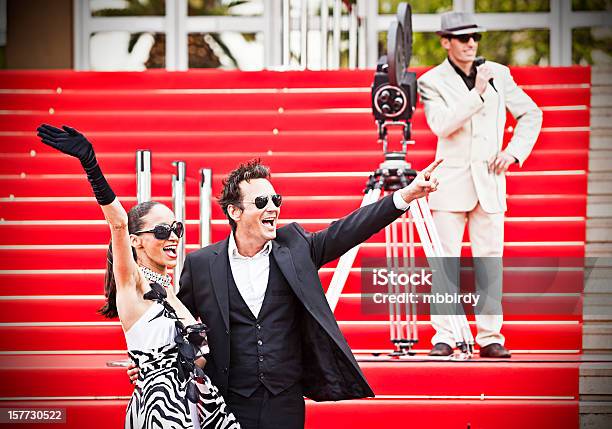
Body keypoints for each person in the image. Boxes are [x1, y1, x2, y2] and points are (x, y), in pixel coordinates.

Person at [130, 158, 442, 428]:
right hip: (227, 401)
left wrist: (406, 195)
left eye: (276, 200)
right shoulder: (201, 265)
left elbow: (348, 230)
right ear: (235, 212)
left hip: (285, 400)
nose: (273, 208)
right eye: (262, 202)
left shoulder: (296, 246)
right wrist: (152, 361)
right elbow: (175, 323)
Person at [36, 124, 240, 429]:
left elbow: (197, 359)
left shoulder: (172, 292)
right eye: (160, 231)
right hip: (162, 411)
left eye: (176, 228)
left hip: (200, 406)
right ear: (136, 241)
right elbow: (118, 222)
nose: (172, 236)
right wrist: (91, 164)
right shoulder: (133, 286)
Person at [417, 11, 543, 358]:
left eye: (475, 37)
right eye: (462, 37)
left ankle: (490, 337)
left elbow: (532, 114)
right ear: (446, 42)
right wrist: (477, 92)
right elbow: (441, 125)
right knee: (445, 263)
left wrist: (514, 152)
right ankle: (444, 336)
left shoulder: (500, 73)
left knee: (490, 262)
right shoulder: (431, 81)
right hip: (450, 184)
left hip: (490, 181)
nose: (471, 43)